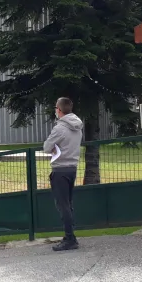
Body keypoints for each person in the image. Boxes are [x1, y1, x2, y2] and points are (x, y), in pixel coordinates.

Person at [43, 98, 84, 252]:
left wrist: (54, 148)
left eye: (55, 108)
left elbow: (47, 147)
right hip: (72, 167)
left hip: (60, 169)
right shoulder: (78, 126)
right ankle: (69, 236)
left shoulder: (59, 128)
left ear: (59, 110)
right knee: (68, 204)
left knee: (63, 205)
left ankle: (70, 238)